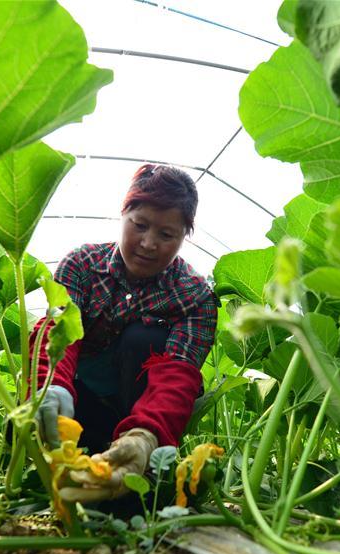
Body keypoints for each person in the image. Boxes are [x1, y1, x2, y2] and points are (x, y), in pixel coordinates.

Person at [29, 163, 218, 503]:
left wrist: (146, 435)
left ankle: (132, 452)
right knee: (30, 441)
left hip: (134, 409)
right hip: (76, 401)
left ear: (184, 236)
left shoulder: (196, 296)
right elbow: (59, 332)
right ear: (123, 214)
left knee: (142, 340)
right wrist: (51, 386)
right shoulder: (82, 264)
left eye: (166, 235)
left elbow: (177, 375)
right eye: (140, 225)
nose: (148, 243)